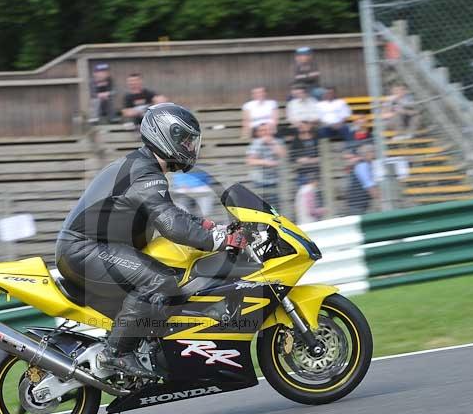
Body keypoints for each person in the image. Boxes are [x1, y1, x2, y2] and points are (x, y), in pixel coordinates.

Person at [56, 103, 246, 378]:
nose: (191, 148)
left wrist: (209, 226)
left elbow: (171, 214)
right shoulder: (143, 173)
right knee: (158, 280)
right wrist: (218, 238)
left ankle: (146, 346)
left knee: (172, 275)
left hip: (94, 248)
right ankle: (116, 354)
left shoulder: (144, 168)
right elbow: (171, 224)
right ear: (165, 135)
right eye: (186, 141)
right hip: (83, 250)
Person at [245, 122, 286, 209]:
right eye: (262, 130)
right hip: (259, 181)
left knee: (275, 208)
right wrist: (266, 162)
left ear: (272, 131)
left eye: (267, 130)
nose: (265, 132)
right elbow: (250, 161)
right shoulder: (256, 143)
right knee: (261, 207)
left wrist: (272, 143)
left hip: (274, 180)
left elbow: (283, 155)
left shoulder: (278, 141)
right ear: (258, 133)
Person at [289, 121, 324, 222]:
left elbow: (321, 155)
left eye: (306, 125)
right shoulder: (296, 141)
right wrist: (305, 161)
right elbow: (293, 158)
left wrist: (308, 161)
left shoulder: (315, 139)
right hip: (302, 174)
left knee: (316, 198)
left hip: (315, 173)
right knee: (304, 199)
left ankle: (318, 217)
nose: (304, 128)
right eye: (301, 126)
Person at [346, 144, 379, 215]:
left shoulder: (368, 165)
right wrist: (380, 199)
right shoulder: (362, 165)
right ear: (367, 154)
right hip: (356, 205)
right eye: (373, 152)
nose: (375, 154)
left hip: (360, 205)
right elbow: (369, 185)